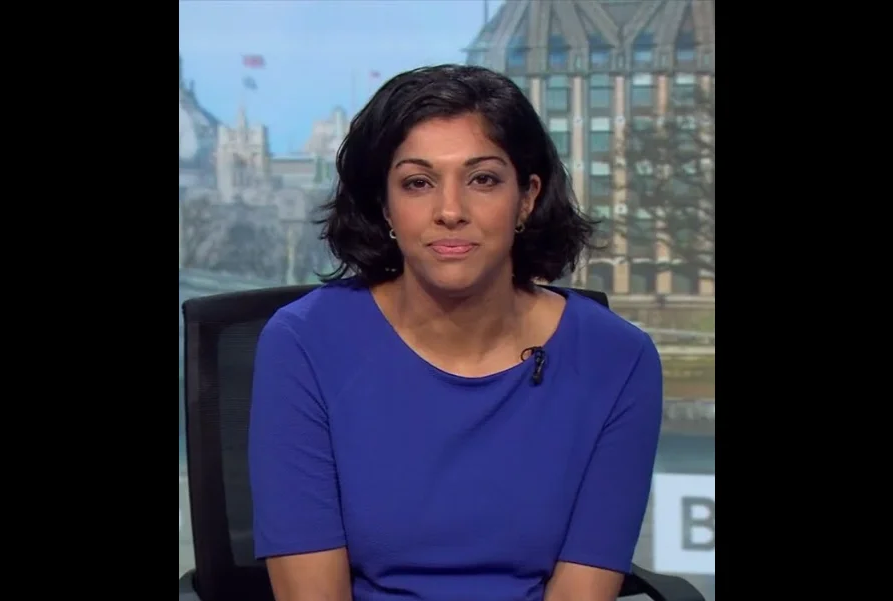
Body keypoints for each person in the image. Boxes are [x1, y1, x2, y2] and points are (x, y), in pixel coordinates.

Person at [249, 64, 663, 601]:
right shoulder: (304, 344)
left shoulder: (617, 358)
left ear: (527, 196)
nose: (450, 211)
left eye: (483, 179)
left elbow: (582, 590)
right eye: (417, 183)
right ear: (384, 204)